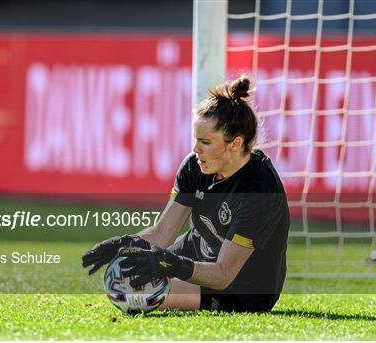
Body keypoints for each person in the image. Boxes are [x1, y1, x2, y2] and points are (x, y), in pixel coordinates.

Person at [82, 74, 290, 312]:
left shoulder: (259, 191)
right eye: (196, 140)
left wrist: (167, 264)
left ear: (235, 143)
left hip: (242, 288)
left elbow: (223, 274)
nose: (195, 149)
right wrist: (123, 244)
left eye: (205, 142)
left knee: (135, 295)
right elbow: (163, 232)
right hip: (195, 256)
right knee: (127, 275)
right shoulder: (195, 166)